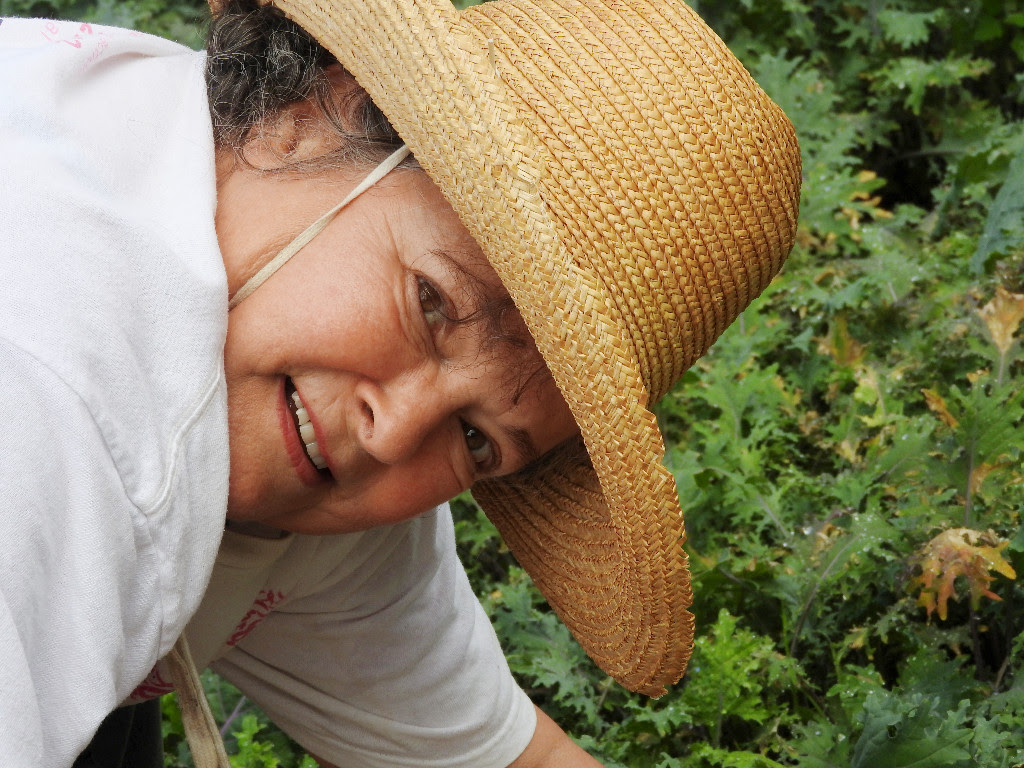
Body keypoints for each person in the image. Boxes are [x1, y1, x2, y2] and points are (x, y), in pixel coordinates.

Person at [0, 0, 800, 766]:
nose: (396, 431)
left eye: (478, 440)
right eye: (432, 302)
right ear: (311, 116)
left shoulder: (296, 396)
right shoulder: (56, 402)